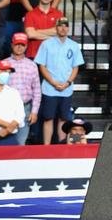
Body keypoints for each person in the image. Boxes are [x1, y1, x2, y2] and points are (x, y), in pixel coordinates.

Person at [35, 17, 82, 145]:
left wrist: (68, 82)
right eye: (60, 26)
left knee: (63, 119)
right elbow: (42, 66)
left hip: (66, 89)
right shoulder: (46, 44)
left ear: (68, 28)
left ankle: (61, 145)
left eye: (65, 26)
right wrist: (53, 82)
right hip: (50, 89)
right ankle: (46, 146)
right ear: (56, 27)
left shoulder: (73, 45)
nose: (63, 28)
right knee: (48, 118)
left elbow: (75, 67)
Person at [4, 32, 40, 145]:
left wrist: (34, 112)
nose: (19, 47)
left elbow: (37, 91)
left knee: (21, 142)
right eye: (17, 44)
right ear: (12, 45)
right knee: (6, 140)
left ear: (26, 46)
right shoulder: (4, 64)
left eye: (22, 45)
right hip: (7, 107)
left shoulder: (32, 65)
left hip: (26, 107)